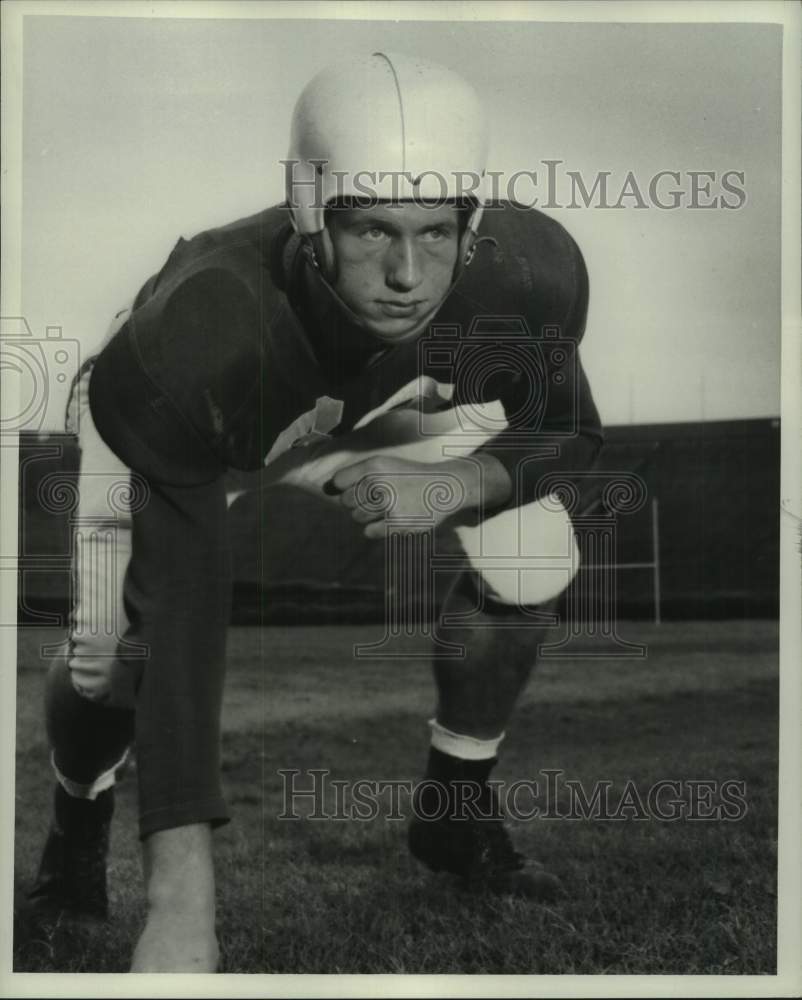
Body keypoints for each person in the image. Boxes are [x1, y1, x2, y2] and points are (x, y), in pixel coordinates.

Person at [28, 52, 603, 972]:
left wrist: (457, 484)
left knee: (536, 562)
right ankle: (76, 820)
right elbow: (182, 610)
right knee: (112, 668)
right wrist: (182, 905)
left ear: (475, 223)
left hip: (376, 406)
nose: (409, 272)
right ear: (308, 214)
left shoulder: (515, 281)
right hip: (206, 422)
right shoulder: (203, 332)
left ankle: (453, 817)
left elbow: (570, 431)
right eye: (371, 230)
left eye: (436, 231)